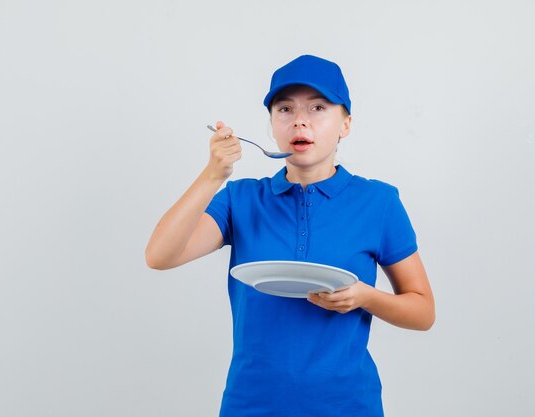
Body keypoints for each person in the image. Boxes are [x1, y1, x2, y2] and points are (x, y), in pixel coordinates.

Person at [145, 54, 435, 417]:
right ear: (272, 125)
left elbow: (423, 312)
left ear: (345, 124)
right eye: (285, 109)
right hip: (250, 404)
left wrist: (364, 297)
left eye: (318, 107)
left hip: (348, 406)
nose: (300, 119)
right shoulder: (241, 198)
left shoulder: (378, 202)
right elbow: (160, 256)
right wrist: (213, 175)